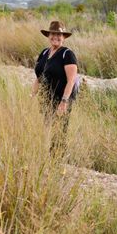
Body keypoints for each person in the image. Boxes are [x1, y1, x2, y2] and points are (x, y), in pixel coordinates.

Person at [33, 20, 78, 151]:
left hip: (61, 98)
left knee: (59, 130)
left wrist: (64, 101)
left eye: (59, 35)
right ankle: (47, 156)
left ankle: (57, 160)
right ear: (48, 36)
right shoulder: (44, 53)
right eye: (52, 34)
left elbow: (71, 81)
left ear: (64, 37)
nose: (55, 37)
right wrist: (32, 95)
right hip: (46, 97)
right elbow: (38, 77)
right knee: (46, 126)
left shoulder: (67, 54)